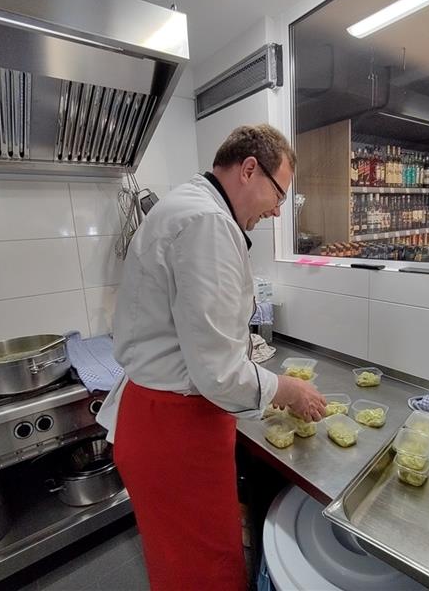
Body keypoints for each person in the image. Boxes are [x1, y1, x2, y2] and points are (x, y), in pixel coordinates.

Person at [96, 124, 326, 590]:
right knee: (204, 572)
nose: (279, 209)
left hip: (157, 420)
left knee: (179, 564)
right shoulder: (208, 223)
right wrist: (288, 390)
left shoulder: (191, 205)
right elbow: (218, 373)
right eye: (279, 193)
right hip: (175, 430)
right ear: (248, 170)